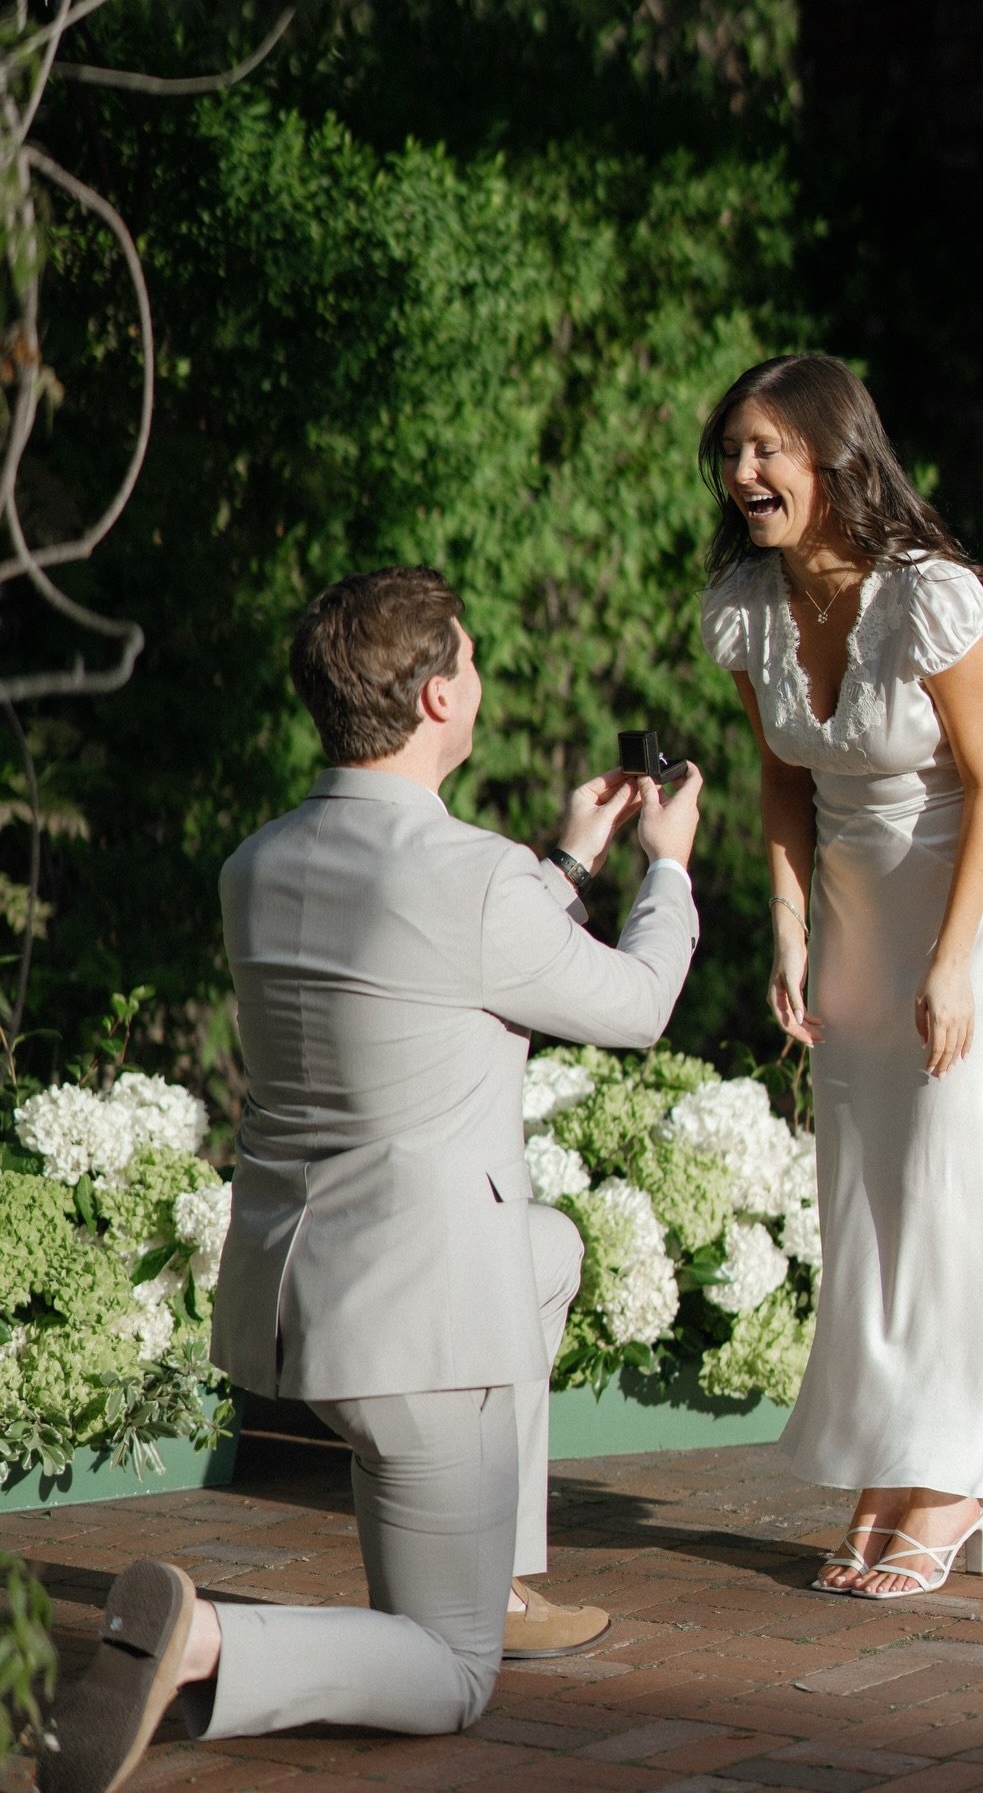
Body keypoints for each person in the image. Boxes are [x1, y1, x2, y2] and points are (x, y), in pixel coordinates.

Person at [41, 566, 702, 1793]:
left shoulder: (262, 861)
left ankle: (489, 1567)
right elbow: (639, 1004)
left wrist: (568, 857)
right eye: (473, 659)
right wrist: (666, 865)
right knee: (450, 1675)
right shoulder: (474, 876)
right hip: (426, 1332)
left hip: (301, 1308)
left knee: (549, 1245)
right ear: (442, 692)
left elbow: (423, 963)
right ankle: (206, 1641)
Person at [698, 356, 983, 1599]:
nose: (745, 474)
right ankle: (887, 1456)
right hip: (853, 899)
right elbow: (781, 778)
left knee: (953, 1172)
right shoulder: (748, 605)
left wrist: (956, 961)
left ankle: (953, 1476)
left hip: (962, 889)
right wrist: (790, 931)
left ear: (833, 456)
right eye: (734, 452)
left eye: (768, 450)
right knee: (868, 1190)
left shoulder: (934, 598)